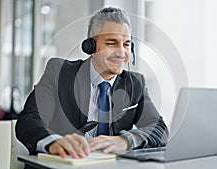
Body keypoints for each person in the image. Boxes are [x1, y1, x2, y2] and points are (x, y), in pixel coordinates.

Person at [16, 7, 169, 159]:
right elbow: (28, 120)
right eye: (112, 43)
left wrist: (125, 141)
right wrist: (54, 142)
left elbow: (159, 129)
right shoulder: (59, 72)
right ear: (91, 47)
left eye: (126, 44)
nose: (121, 52)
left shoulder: (136, 84)